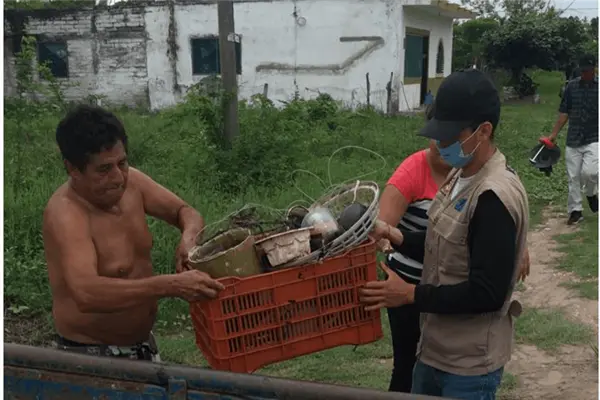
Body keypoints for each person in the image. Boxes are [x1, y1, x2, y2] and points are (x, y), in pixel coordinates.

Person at [362, 69, 529, 399]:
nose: (440, 143)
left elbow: (487, 292)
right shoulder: (460, 176)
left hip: (468, 366)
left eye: (450, 135)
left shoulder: (492, 197)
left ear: (484, 131)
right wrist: (395, 235)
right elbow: (445, 245)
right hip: (434, 350)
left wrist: (411, 295)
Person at [43, 105, 225, 362]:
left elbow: (185, 212)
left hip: (143, 345)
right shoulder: (66, 214)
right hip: (90, 355)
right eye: (104, 170)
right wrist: (171, 285)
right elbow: (86, 293)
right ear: (73, 169)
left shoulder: (133, 183)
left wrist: (189, 238)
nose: (118, 178)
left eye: (122, 163)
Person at [548, 54, 598, 225]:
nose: (585, 74)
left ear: (594, 69)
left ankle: (591, 193)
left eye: (588, 71)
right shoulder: (571, 87)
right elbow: (564, 112)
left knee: (591, 172)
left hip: (594, 137)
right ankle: (575, 211)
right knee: (573, 177)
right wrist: (554, 134)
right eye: (583, 71)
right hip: (574, 138)